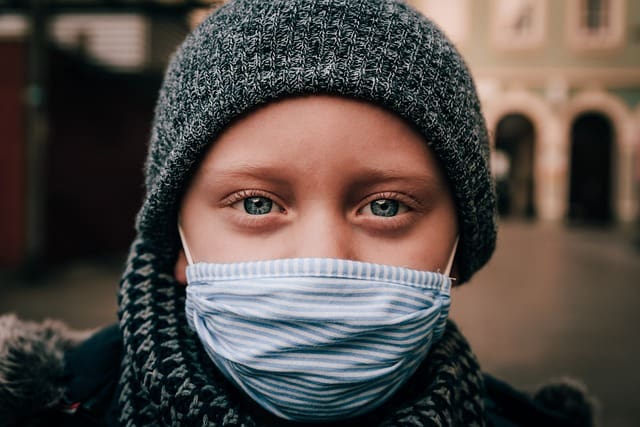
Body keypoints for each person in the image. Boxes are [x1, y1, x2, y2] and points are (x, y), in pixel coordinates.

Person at [0, 0, 594, 426]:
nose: (323, 258)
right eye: (256, 204)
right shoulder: (45, 407)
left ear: (459, 248)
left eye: (385, 206)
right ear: (178, 245)